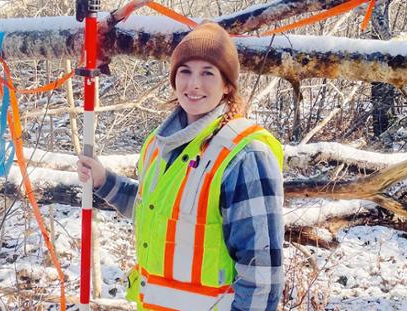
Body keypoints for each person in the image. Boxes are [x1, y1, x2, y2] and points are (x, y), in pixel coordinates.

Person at [77, 21, 284, 311]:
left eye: (208, 73)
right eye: (185, 71)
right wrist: (105, 182)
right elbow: (154, 213)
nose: (193, 84)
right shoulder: (159, 145)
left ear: (227, 85)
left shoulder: (245, 154)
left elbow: (262, 274)